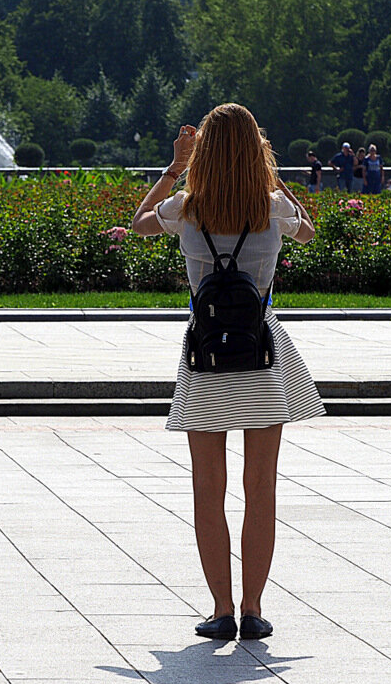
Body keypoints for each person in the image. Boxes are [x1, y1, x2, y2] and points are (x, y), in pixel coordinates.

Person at [131, 104, 325, 642]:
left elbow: (138, 224)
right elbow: (309, 232)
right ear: (257, 150)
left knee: (207, 489)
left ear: (205, 152)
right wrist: (272, 178)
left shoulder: (185, 207)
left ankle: (220, 609)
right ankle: (253, 608)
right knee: (261, 488)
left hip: (206, 359)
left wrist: (175, 167)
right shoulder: (272, 209)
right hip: (262, 357)